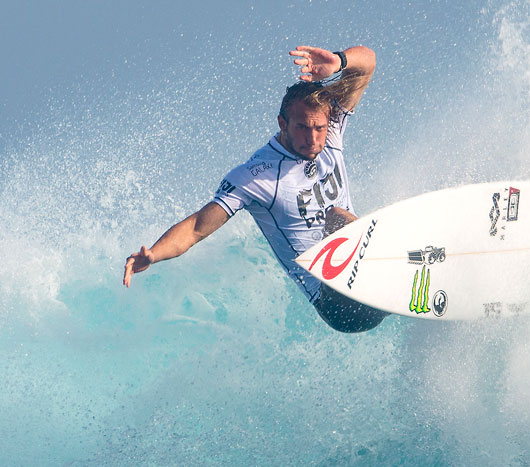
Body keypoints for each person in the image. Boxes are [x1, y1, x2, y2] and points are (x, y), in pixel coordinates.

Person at [122, 44, 388, 333]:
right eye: (302, 128)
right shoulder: (255, 177)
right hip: (337, 302)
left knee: (351, 218)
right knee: (336, 216)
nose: (312, 138)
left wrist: (339, 62)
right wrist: (154, 254)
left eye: (319, 128)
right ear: (282, 124)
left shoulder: (333, 127)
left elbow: (368, 64)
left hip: (368, 280)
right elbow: (196, 227)